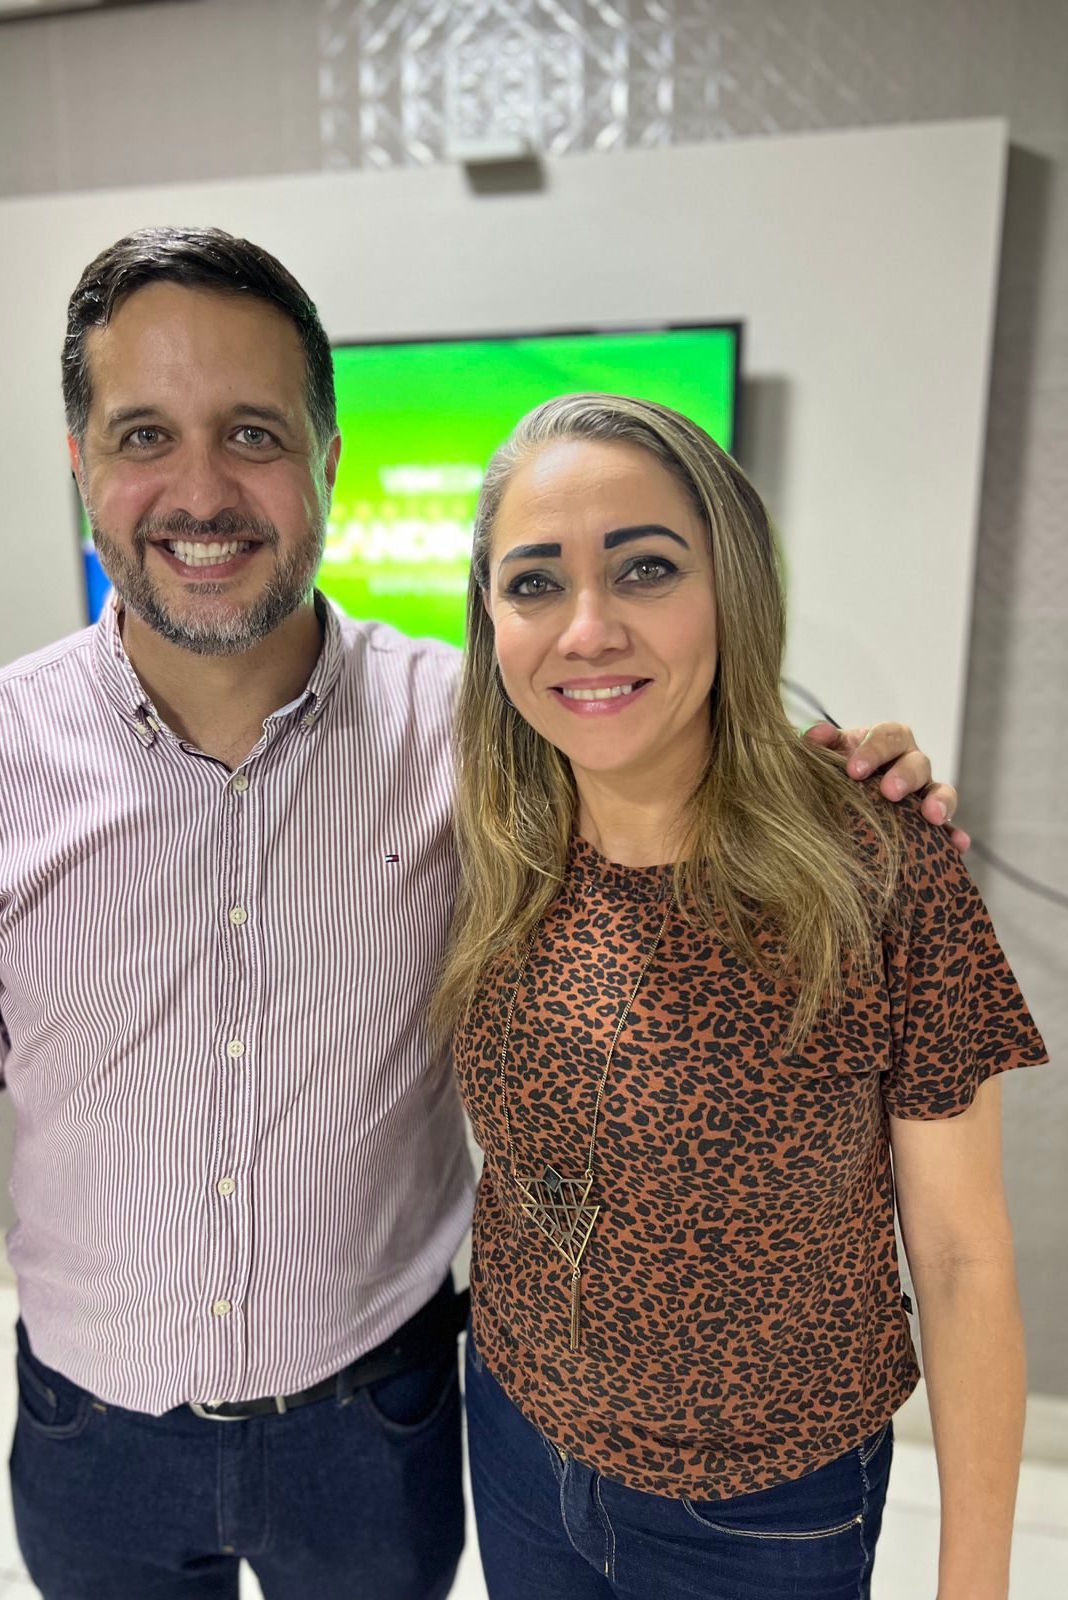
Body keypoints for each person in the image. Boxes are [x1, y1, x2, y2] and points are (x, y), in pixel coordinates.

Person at [0, 228, 960, 1600]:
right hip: (91, 1426)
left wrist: (850, 787)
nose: (201, 490)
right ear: (82, 462)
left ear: (329, 461)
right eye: (145, 435)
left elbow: (677, 770)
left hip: (376, 1428)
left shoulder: (479, 735)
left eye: (254, 433)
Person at [439, 393, 1048, 1600]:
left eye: (646, 568)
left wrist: (975, 1582)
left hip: (767, 1505)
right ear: (490, 620)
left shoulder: (873, 870)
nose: (588, 628)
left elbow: (963, 1256)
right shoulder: (491, 840)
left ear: (734, 588)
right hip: (516, 1435)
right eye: (535, 583)